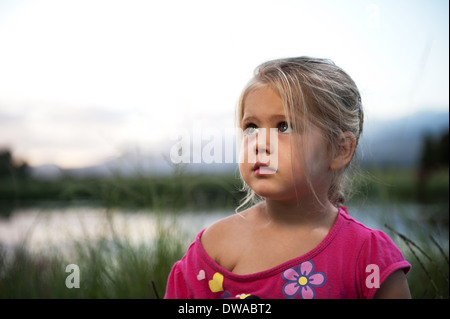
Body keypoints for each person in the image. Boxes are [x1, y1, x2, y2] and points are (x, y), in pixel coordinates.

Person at [164, 57, 411, 299]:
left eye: (284, 127)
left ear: (339, 150)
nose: (260, 142)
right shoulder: (214, 248)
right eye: (251, 127)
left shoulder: (368, 257)